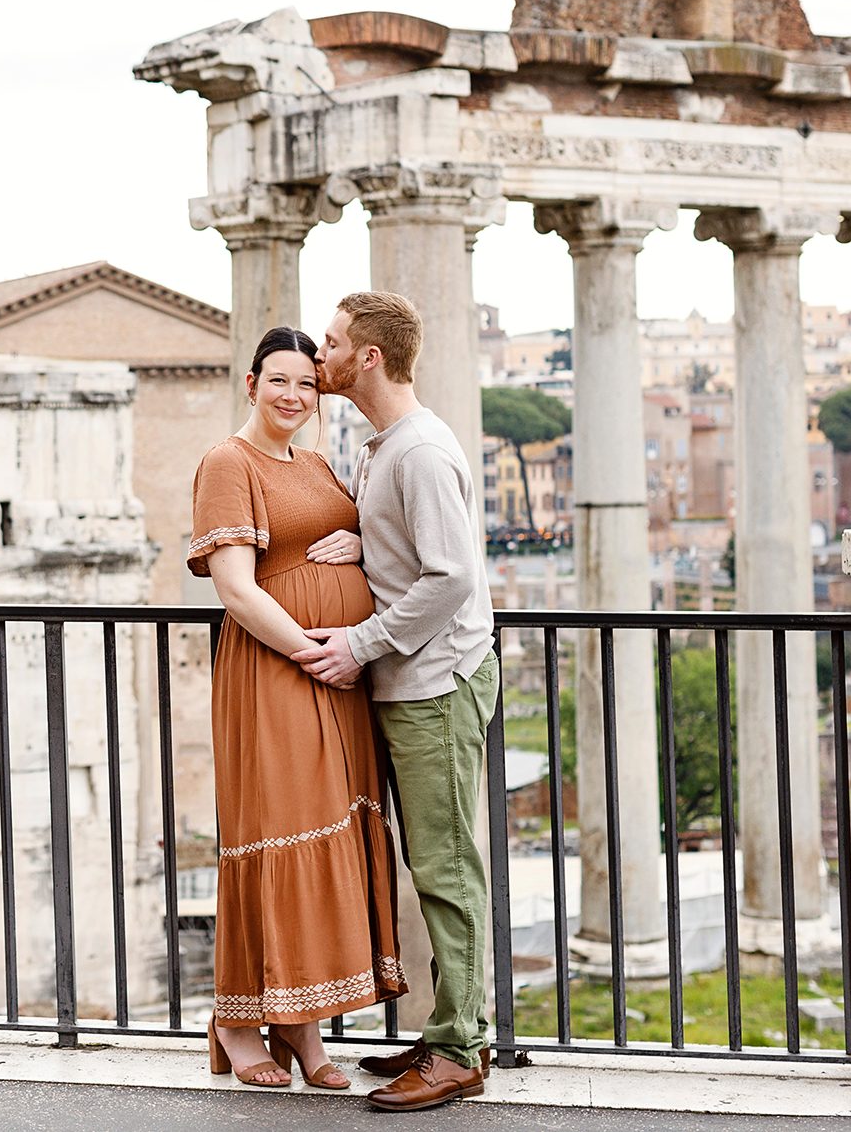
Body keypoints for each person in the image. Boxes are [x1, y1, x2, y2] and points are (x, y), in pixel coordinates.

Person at [292, 291, 500, 1112]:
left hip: (434, 684)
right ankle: (454, 1026)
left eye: (334, 343)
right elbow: (413, 553)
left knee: (447, 867)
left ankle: (460, 1050)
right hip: (417, 683)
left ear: (368, 357)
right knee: (432, 860)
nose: (321, 356)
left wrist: (360, 641)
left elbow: (452, 576)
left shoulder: (415, 451)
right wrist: (364, 543)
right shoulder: (389, 447)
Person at [187, 325, 405, 1091]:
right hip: (277, 669)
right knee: (275, 831)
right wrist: (314, 651)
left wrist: (355, 541)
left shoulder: (316, 462)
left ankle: (304, 1029)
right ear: (252, 384)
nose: (293, 395)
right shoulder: (228, 461)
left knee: (327, 832)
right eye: (278, 380)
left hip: (334, 677)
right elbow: (238, 587)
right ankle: (242, 1024)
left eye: (307, 384)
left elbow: (356, 536)